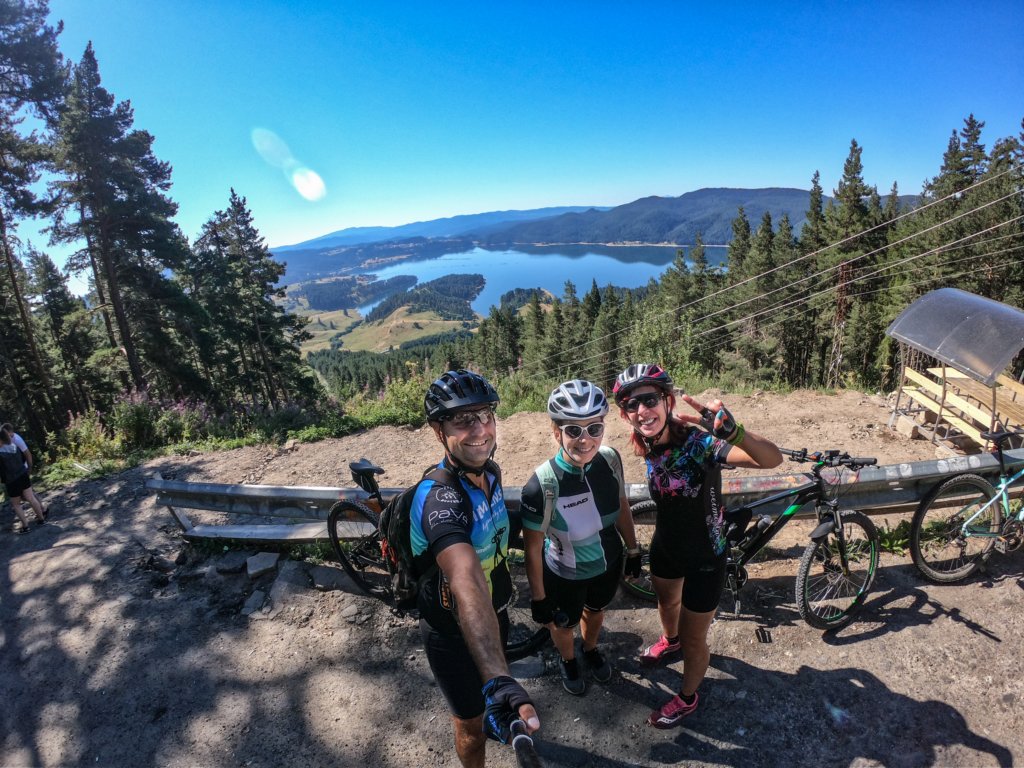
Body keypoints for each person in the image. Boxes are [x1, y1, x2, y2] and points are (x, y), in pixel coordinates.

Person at [612, 363, 781, 729]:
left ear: (667, 400)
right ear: (624, 414)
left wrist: (735, 433)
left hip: (706, 554)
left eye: (649, 399)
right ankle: (668, 640)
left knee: (694, 640)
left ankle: (688, 697)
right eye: (631, 404)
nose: (641, 410)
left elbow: (771, 459)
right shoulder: (647, 442)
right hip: (666, 546)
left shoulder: (698, 442)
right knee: (666, 603)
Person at [413, 369, 540, 767]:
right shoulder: (440, 499)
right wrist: (498, 677)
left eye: (486, 415)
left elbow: (499, 527)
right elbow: (465, 578)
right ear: (439, 431)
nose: (481, 429)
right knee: (471, 726)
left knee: (493, 707)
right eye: (463, 420)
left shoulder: (490, 472)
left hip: (494, 615)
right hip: (450, 629)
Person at [520, 379, 642, 695]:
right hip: (564, 573)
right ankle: (569, 660)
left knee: (597, 611)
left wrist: (633, 550)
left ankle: (589, 649)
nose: (585, 439)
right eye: (573, 430)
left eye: (594, 429)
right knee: (563, 624)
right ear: (556, 432)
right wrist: (539, 598)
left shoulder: (611, 459)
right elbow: (532, 549)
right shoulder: (542, 485)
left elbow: (622, 504)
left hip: (608, 563)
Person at [0, 428, 46, 533]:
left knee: (16, 504)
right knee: (31, 498)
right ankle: (41, 519)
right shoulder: (13, 446)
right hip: (23, 474)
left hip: (11, 481)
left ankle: (25, 526)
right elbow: (23, 458)